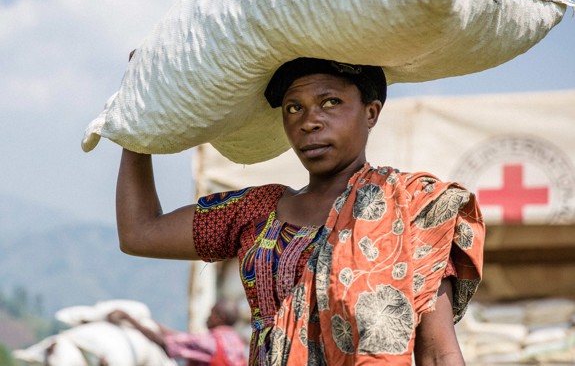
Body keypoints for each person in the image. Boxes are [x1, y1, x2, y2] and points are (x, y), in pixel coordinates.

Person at [115, 57, 484, 365]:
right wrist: (136, 116)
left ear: (371, 112)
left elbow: (437, 352)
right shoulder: (257, 211)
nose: (309, 121)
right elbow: (140, 232)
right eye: (294, 107)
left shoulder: (411, 207)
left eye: (330, 103)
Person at [107, 299, 247, 366]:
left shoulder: (211, 341)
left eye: (211, 313)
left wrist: (130, 320)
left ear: (219, 317)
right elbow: (182, 339)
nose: (207, 316)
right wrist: (150, 323)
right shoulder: (234, 340)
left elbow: (167, 344)